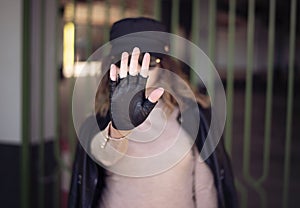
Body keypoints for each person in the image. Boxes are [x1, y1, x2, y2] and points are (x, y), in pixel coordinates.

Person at [68, 17, 238, 208]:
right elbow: (102, 158)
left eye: (148, 61)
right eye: (127, 61)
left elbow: (205, 186)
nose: (138, 70)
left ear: (164, 66)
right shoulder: (98, 122)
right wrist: (119, 128)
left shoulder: (193, 115)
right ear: (112, 67)